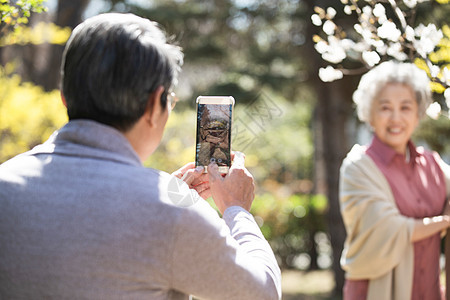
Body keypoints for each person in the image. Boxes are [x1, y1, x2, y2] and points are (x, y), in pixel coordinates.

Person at [0, 13, 281, 300]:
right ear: (152, 105)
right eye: (169, 100)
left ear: (64, 98)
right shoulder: (172, 214)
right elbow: (263, 293)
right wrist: (237, 210)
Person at [339, 61, 450, 300]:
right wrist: (445, 221)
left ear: (418, 113)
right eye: (385, 107)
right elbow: (390, 229)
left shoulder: (433, 165)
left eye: (406, 107)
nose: (396, 117)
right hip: (373, 293)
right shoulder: (358, 167)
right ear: (370, 113)